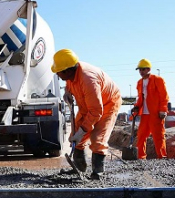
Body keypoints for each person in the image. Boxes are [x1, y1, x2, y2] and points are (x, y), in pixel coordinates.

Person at [52, 49, 122, 180]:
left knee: (97, 139)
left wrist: (83, 131)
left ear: (67, 70)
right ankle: (79, 168)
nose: (58, 76)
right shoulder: (72, 73)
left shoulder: (88, 79)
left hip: (108, 104)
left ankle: (98, 173)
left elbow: (96, 111)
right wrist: (67, 92)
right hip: (87, 106)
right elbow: (69, 83)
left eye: (58, 73)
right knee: (75, 137)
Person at [132, 59, 169, 159]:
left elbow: (164, 96)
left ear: (148, 69)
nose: (141, 72)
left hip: (156, 113)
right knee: (141, 136)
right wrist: (136, 107)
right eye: (139, 70)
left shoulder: (158, 80)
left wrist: (163, 110)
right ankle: (140, 157)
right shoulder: (139, 82)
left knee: (158, 137)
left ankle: (162, 157)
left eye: (143, 69)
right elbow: (141, 97)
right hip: (144, 114)